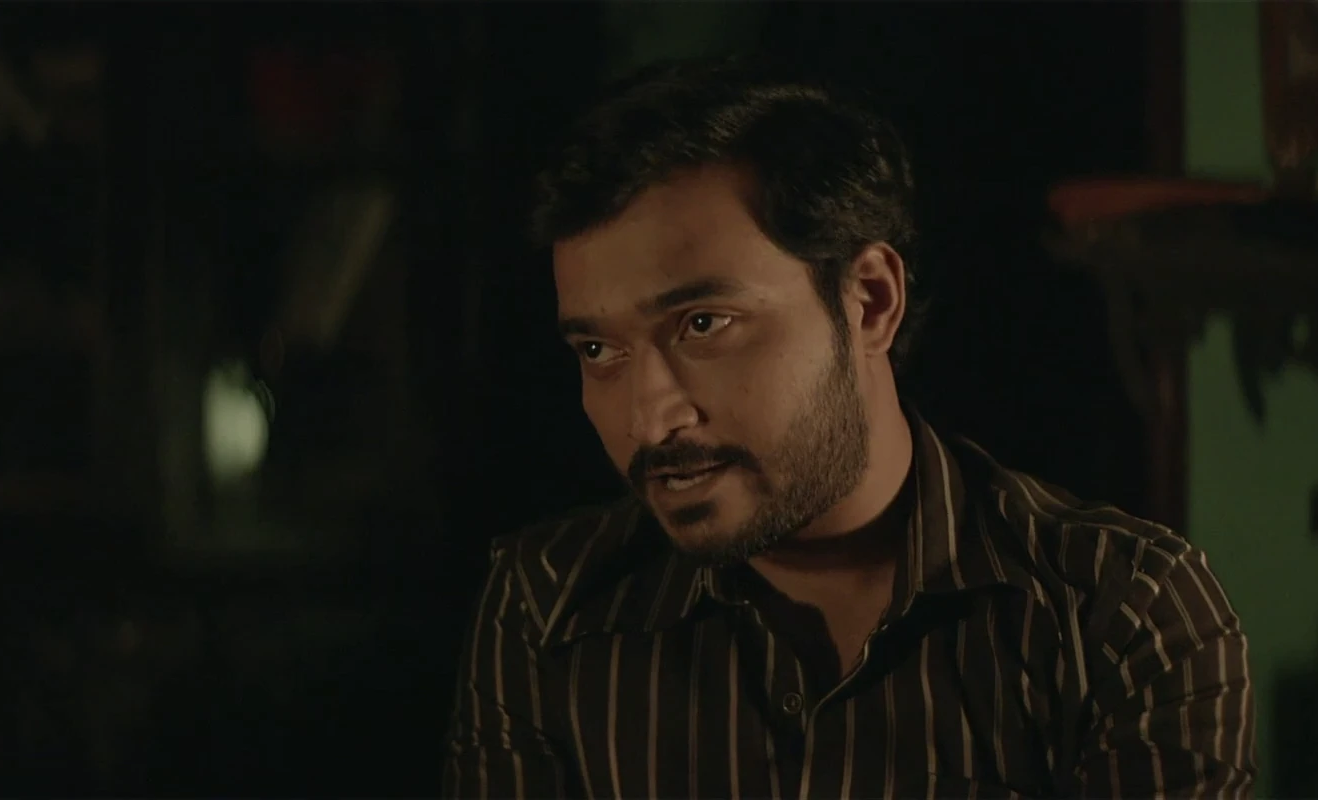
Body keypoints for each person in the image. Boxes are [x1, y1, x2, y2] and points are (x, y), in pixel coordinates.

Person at [441, 57, 1254, 800]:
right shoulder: (548, 607)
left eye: (703, 324)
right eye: (599, 350)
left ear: (870, 301)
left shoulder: (1119, 615)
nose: (649, 415)